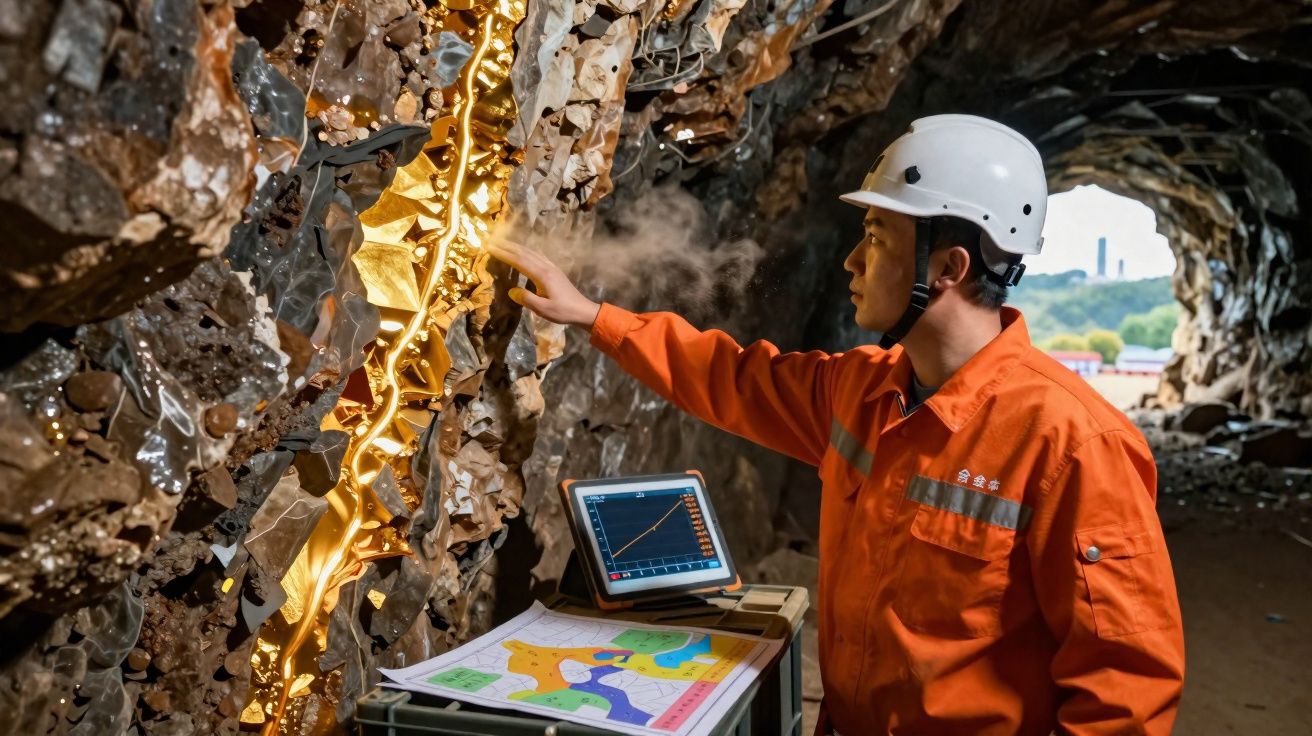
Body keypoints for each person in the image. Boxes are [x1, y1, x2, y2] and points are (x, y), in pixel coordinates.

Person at [489, 114, 1185, 735]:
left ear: (948, 267)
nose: (852, 260)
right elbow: (728, 377)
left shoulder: (1073, 445)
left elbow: (1126, 691)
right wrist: (594, 316)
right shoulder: (863, 389)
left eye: (876, 237)